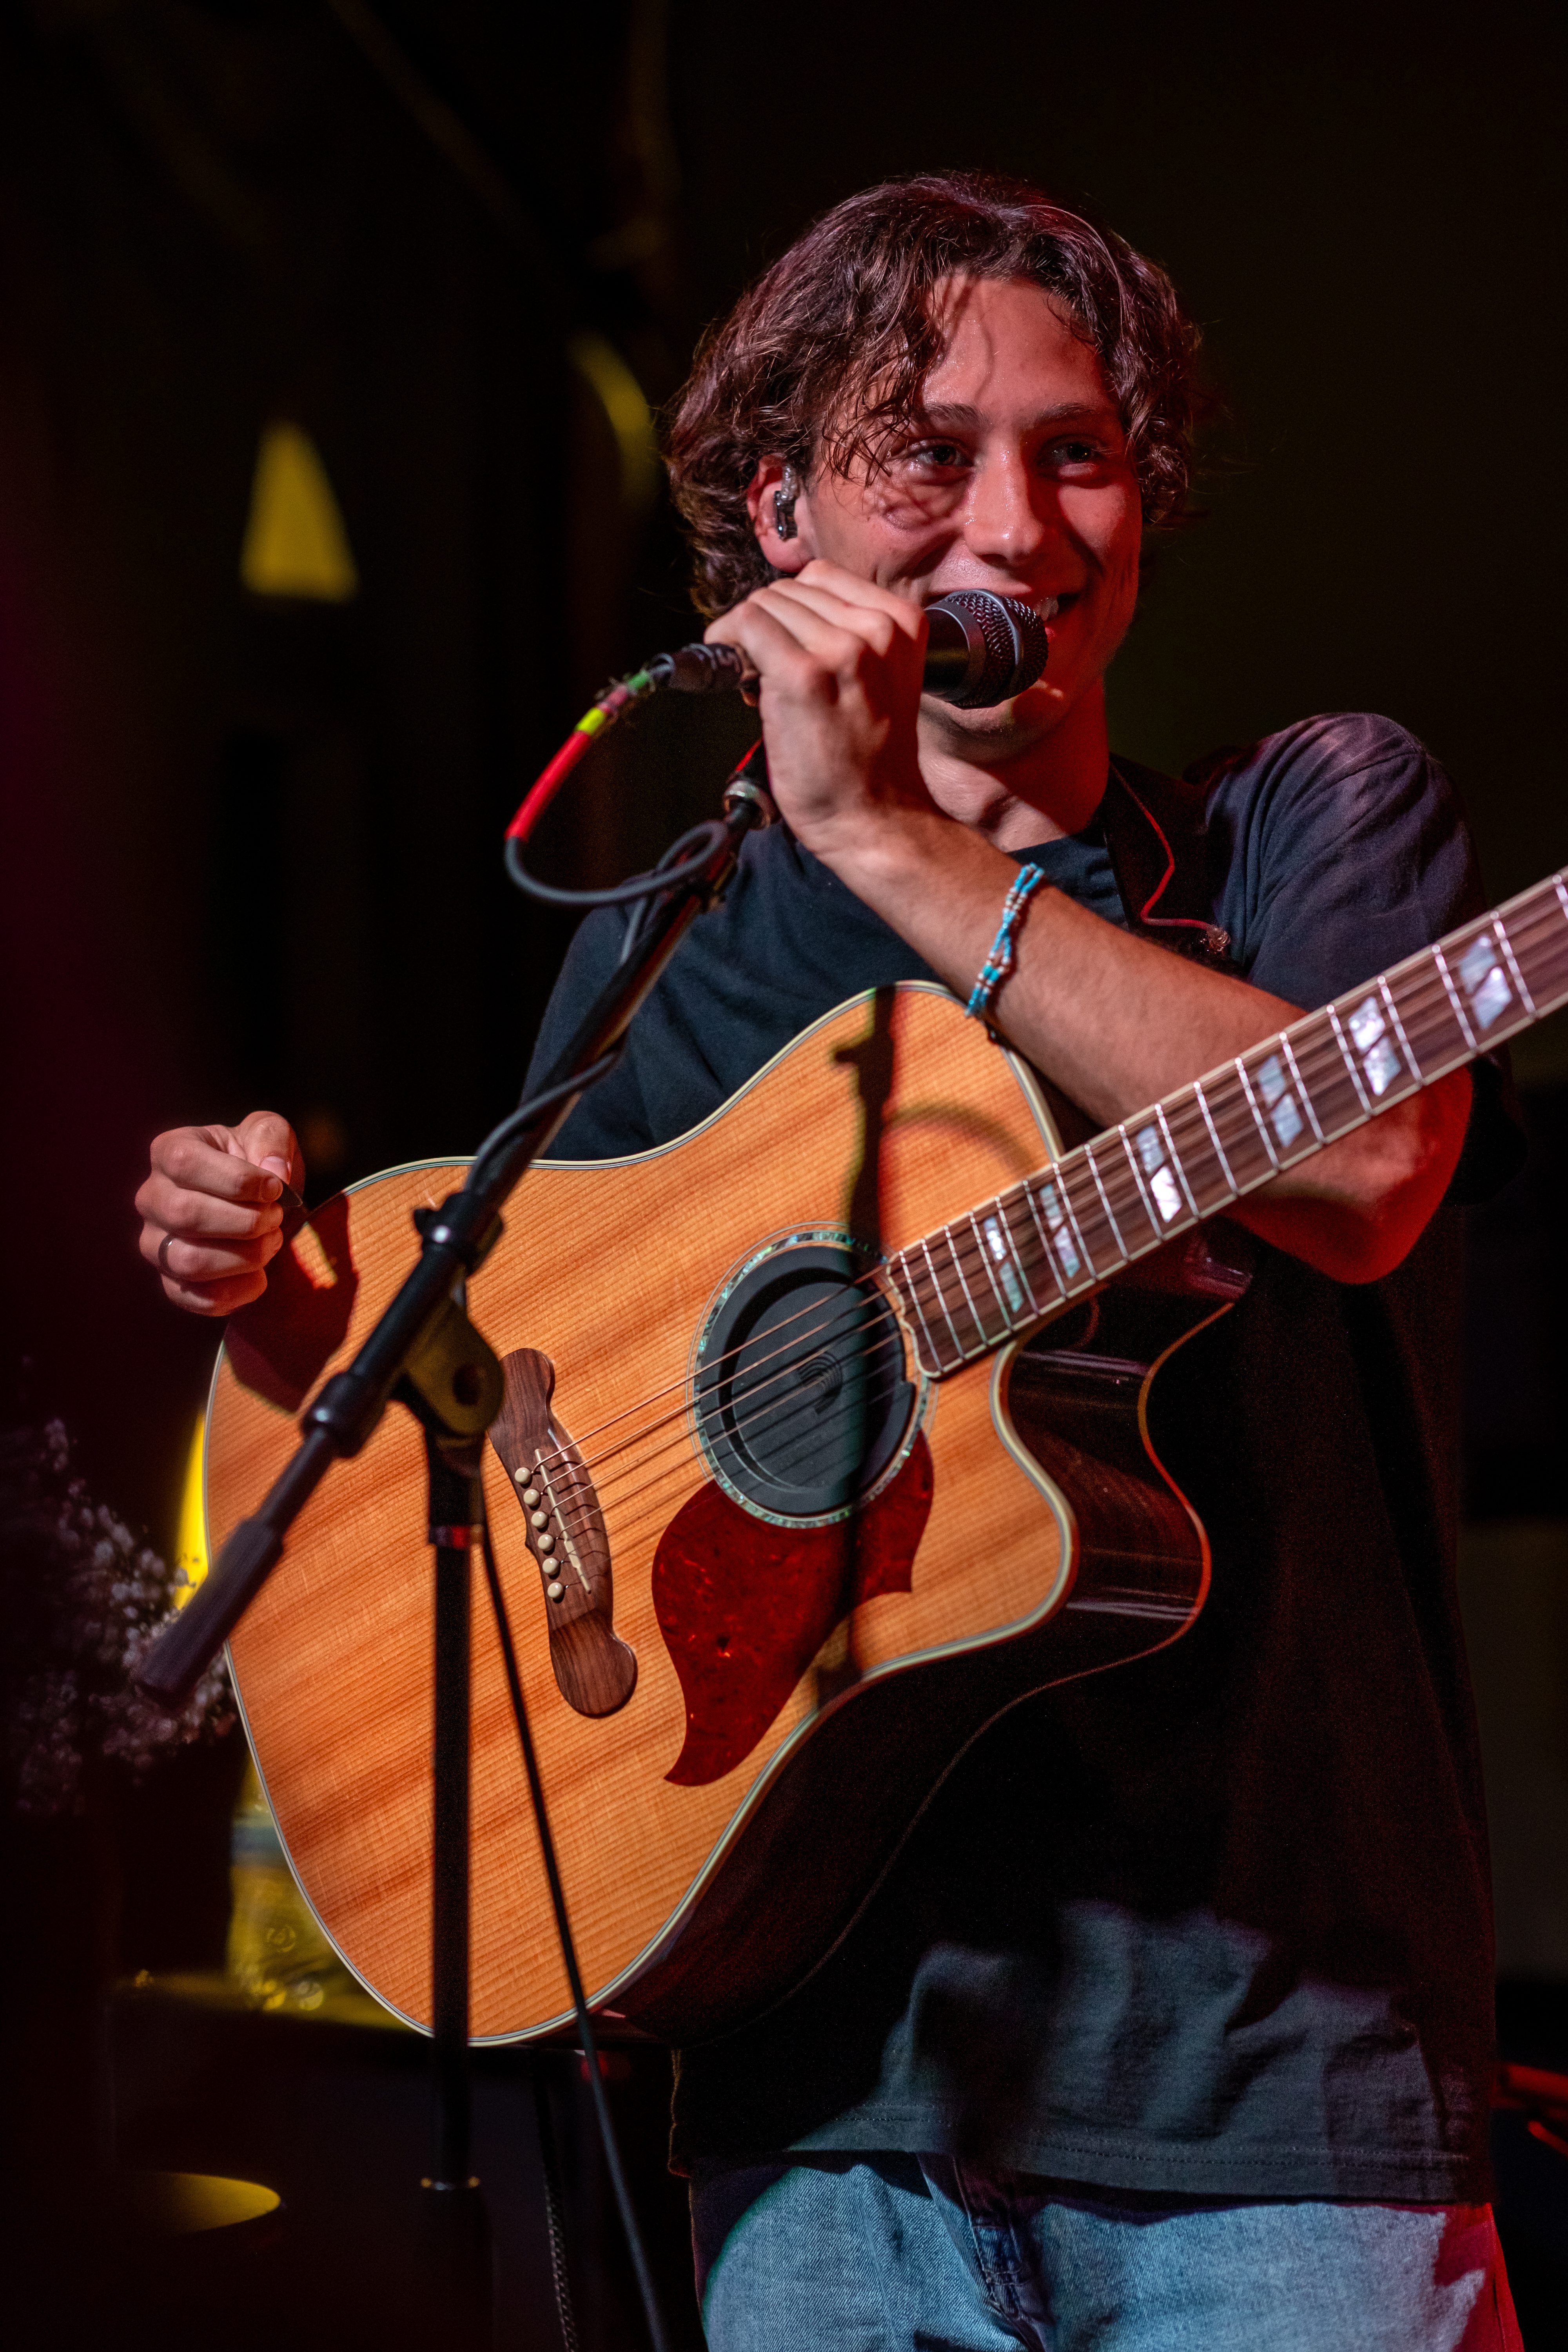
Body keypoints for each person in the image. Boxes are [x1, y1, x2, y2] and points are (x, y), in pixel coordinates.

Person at [137, 174, 1524, 2348]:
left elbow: (1358, 1161)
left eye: (1077, 453)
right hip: (816, 2115)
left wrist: (894, 838)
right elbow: (515, 1377)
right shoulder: (683, 932)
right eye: (928, 453)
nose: (1018, 522)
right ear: (781, 522)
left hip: (1273, 2110)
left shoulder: (1307, 827)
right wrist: (284, 1282)